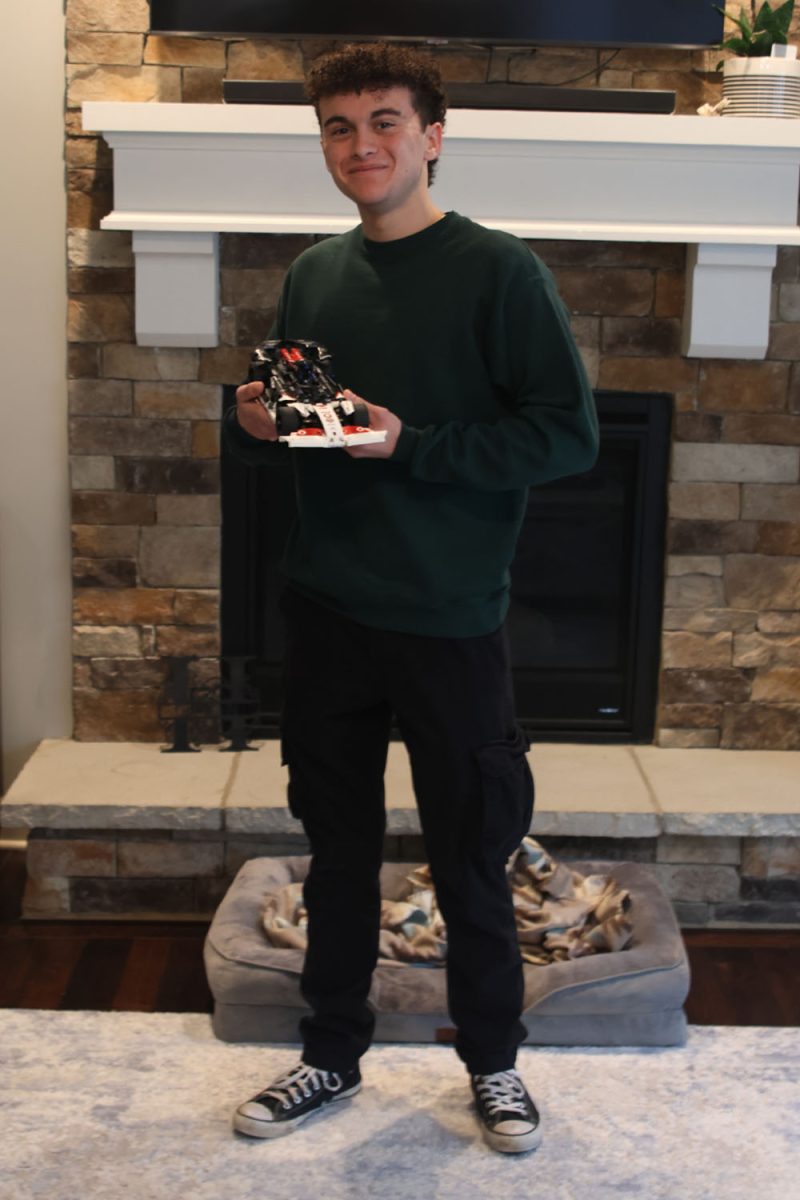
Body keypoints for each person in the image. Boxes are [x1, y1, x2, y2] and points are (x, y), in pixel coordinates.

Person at [222, 42, 598, 1155]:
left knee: (471, 854)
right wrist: (265, 424)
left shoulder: (500, 272)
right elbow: (320, 439)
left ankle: (491, 1067)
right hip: (329, 612)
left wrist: (413, 444)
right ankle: (328, 1055)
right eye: (338, 129)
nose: (360, 147)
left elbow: (565, 436)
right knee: (335, 853)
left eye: (383, 123)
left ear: (432, 136)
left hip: (449, 620)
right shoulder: (313, 274)